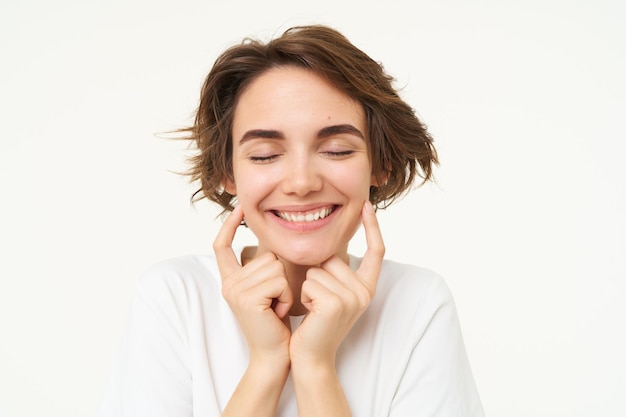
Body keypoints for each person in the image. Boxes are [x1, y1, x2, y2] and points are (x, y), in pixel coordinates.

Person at [96, 25, 484, 417]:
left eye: (335, 150)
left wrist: (315, 365)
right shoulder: (175, 297)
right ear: (228, 174)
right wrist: (266, 363)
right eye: (264, 155)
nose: (301, 183)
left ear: (379, 165)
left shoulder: (417, 302)